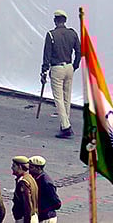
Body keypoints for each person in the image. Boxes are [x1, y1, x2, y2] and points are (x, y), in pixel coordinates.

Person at [41, 10, 80, 138]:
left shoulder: (51, 35)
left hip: (57, 68)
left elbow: (46, 55)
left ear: (55, 20)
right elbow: (79, 51)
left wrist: (44, 71)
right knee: (67, 98)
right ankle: (65, 123)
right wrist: (75, 65)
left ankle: (66, 127)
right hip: (69, 67)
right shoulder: (72, 33)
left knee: (58, 99)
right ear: (65, 20)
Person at [27, 156, 61, 223]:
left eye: (31, 167)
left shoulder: (46, 182)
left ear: (38, 168)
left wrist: (45, 206)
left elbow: (56, 202)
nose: (29, 170)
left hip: (46, 217)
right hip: (41, 216)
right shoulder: (36, 178)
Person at [11, 157, 39, 223]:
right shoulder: (29, 177)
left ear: (20, 167)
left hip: (25, 218)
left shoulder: (23, 182)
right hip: (32, 216)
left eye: (14, 166)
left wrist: (27, 220)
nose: (12, 168)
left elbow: (27, 204)